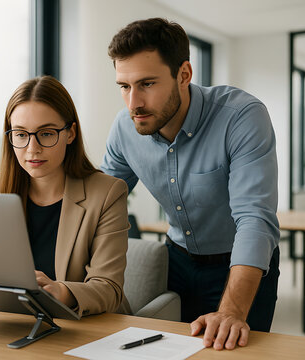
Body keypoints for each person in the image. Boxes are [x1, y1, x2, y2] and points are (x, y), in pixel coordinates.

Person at [102, 18, 280, 350]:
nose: (133, 103)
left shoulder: (241, 117)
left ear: (184, 74)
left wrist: (230, 312)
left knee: (231, 350)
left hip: (238, 264)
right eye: (124, 86)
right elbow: (100, 202)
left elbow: (255, 219)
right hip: (176, 260)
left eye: (147, 84)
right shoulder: (125, 127)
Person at [0, 75, 130, 317]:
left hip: (85, 327)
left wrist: (60, 291)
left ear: (70, 133)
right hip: (14, 323)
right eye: (20, 134)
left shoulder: (106, 193)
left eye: (46, 133)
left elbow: (108, 289)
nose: (32, 148)